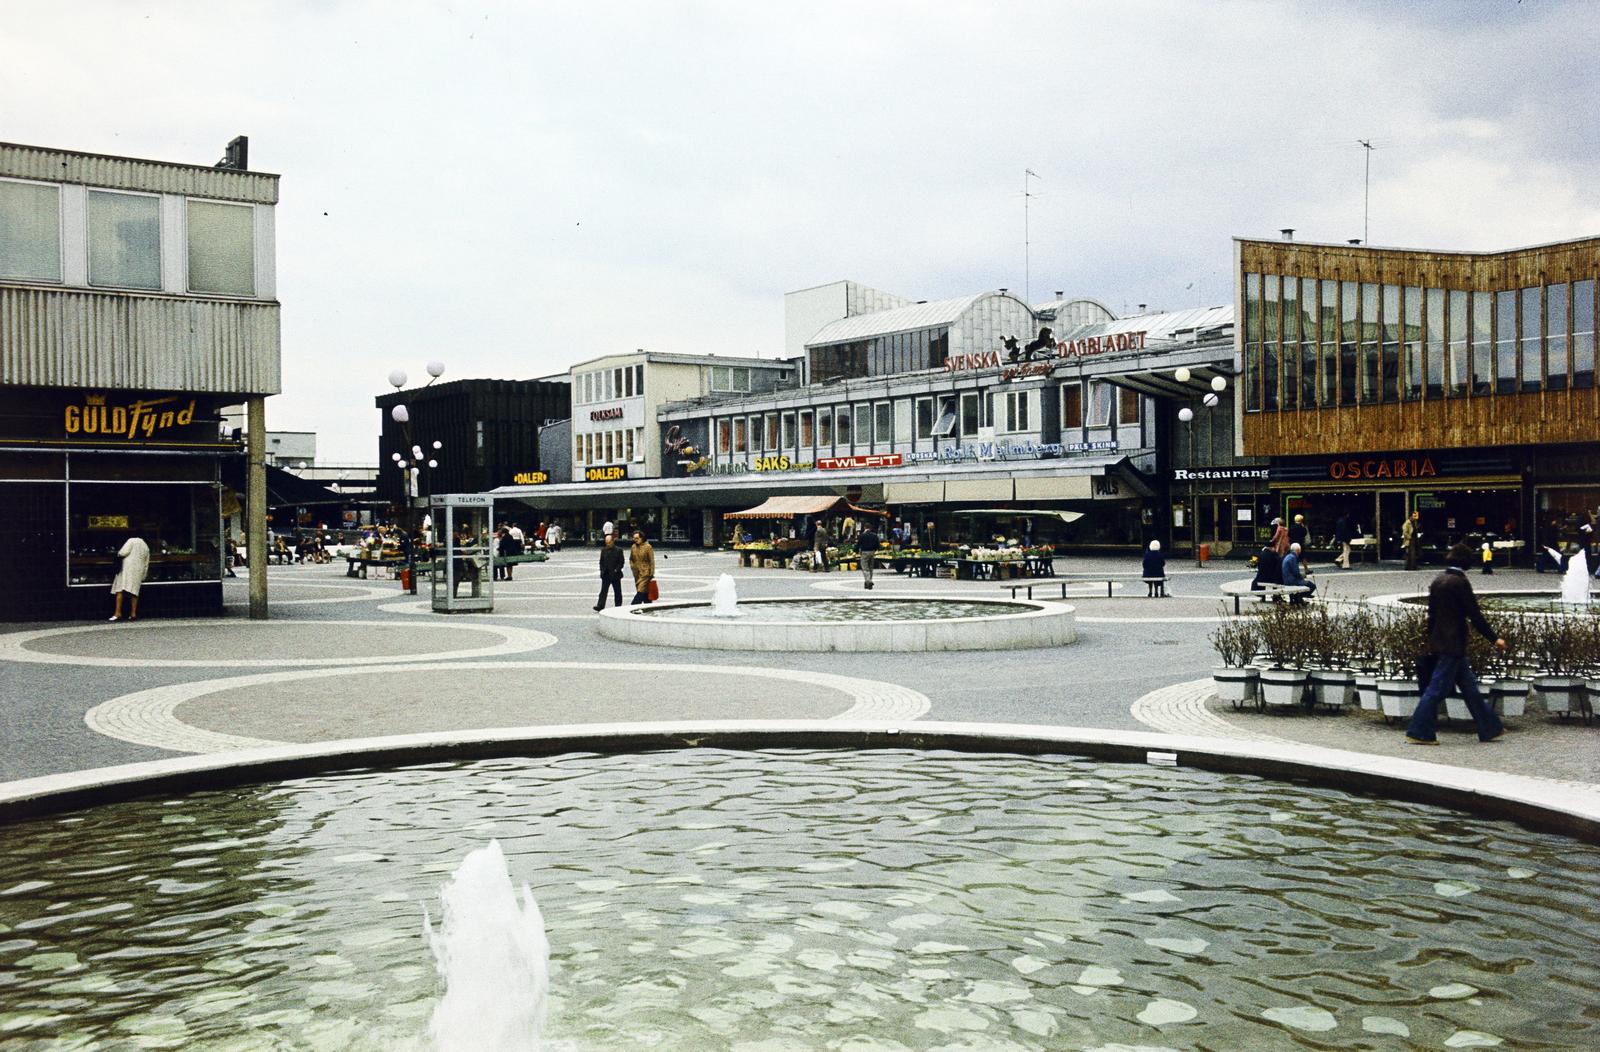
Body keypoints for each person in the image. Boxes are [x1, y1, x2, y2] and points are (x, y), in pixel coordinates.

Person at [1405, 543, 1507, 746]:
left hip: (1441, 643)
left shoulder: (1438, 580)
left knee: (1470, 690)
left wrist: (1430, 640)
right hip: (1454, 645)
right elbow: (1474, 615)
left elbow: (1431, 616)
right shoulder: (1460, 582)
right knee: (1436, 690)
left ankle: (1490, 728)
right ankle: (1419, 731)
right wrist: (1494, 638)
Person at [109, 535, 151, 621]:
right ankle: (133, 614)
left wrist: (117, 553)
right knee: (134, 592)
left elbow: (123, 552)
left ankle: (117, 613)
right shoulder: (146, 546)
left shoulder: (131, 540)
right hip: (138, 571)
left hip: (126, 569)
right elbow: (147, 563)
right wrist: (144, 575)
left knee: (120, 589)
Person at [594, 532, 624, 610]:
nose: (608, 544)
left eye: (609, 542)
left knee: (617, 591)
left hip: (615, 574)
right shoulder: (603, 550)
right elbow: (601, 561)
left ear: (613, 541)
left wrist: (617, 569)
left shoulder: (619, 550)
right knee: (603, 591)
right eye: (606, 543)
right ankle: (600, 605)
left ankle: (618, 605)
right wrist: (602, 570)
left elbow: (621, 562)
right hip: (606, 574)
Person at [629, 530, 656, 605]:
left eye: (637, 538)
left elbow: (651, 561)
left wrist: (651, 573)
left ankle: (633, 606)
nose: (635, 540)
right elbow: (631, 559)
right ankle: (648, 605)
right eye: (634, 538)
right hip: (637, 573)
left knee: (640, 590)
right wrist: (632, 566)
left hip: (646, 573)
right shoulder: (633, 547)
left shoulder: (648, 547)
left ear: (641, 538)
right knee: (645, 592)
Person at [857, 522, 880, 590]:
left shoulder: (862, 535)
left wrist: (855, 550)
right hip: (872, 552)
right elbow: (878, 545)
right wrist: (875, 550)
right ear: (870, 528)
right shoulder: (874, 535)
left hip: (864, 552)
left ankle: (868, 581)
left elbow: (858, 544)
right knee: (870, 567)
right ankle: (868, 582)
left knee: (865, 567)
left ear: (864, 528)